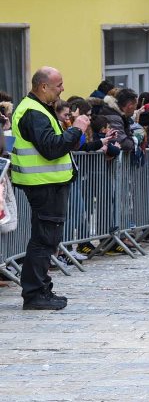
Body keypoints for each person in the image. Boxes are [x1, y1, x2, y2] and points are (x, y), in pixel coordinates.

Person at [10, 67, 90, 310]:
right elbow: (52, 148)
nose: (63, 89)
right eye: (58, 85)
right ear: (43, 86)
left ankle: (42, 288)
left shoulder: (38, 109)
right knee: (44, 240)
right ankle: (35, 294)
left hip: (46, 183)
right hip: (43, 184)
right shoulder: (33, 112)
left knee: (46, 239)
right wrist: (77, 128)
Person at [97, 88, 137, 152]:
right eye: (135, 106)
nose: (135, 110)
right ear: (130, 105)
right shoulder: (114, 118)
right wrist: (133, 141)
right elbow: (124, 143)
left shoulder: (119, 115)